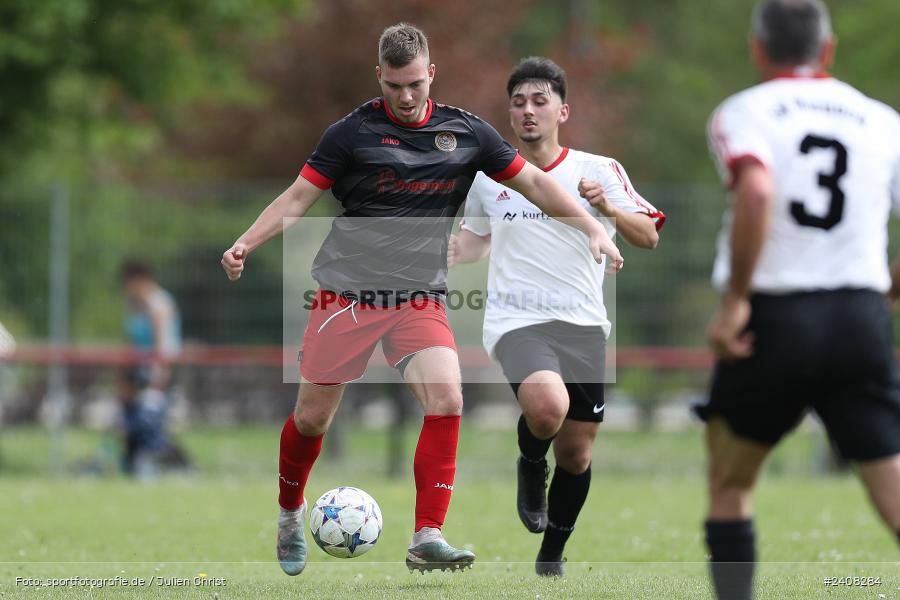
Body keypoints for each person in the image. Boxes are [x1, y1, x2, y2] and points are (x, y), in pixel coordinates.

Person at [220, 23, 625, 577]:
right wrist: (246, 241)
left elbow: (534, 184)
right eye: (394, 86)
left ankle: (427, 535)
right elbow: (297, 197)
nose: (406, 97)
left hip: (419, 296)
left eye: (414, 84)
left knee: (447, 399)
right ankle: (291, 512)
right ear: (379, 78)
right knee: (312, 420)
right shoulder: (350, 133)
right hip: (348, 293)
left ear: (431, 74)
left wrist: (592, 228)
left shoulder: (468, 133)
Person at [696, 1, 900, 598]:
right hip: (859, 317)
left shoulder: (743, 112)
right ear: (828, 49)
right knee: (891, 489)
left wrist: (735, 300)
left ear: (758, 49)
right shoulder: (882, 119)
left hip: (775, 318)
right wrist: (889, 288)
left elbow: (756, 190)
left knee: (730, 483)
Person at [449, 57, 665, 576]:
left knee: (576, 455)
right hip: (515, 319)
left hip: (584, 323)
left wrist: (609, 212)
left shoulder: (598, 170)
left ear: (562, 110)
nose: (528, 111)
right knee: (547, 408)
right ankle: (528, 463)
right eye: (519, 103)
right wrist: (455, 249)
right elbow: (479, 240)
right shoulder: (488, 179)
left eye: (539, 101)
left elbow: (648, 235)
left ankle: (552, 556)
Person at [120, 260, 183, 478]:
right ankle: (134, 467)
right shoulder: (134, 304)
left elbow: (162, 346)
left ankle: (164, 465)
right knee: (131, 422)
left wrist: (158, 378)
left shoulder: (158, 304)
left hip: (156, 371)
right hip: (137, 370)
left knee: (150, 421)